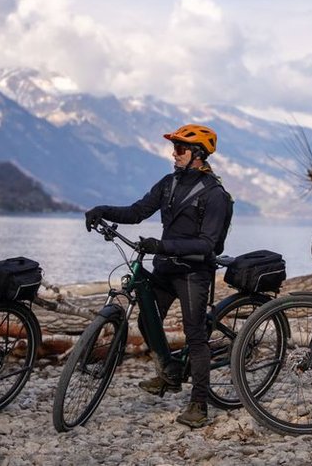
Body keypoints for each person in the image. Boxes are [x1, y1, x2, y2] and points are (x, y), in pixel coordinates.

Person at [85, 124, 231, 428]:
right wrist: (102, 210)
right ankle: (169, 372)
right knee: (145, 319)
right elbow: (138, 211)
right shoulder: (169, 183)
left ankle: (199, 405)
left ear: (198, 154)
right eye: (174, 148)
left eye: (179, 149)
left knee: (195, 335)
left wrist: (161, 245)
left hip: (193, 273)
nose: (173, 154)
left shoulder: (215, 195)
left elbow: (207, 245)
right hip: (166, 268)